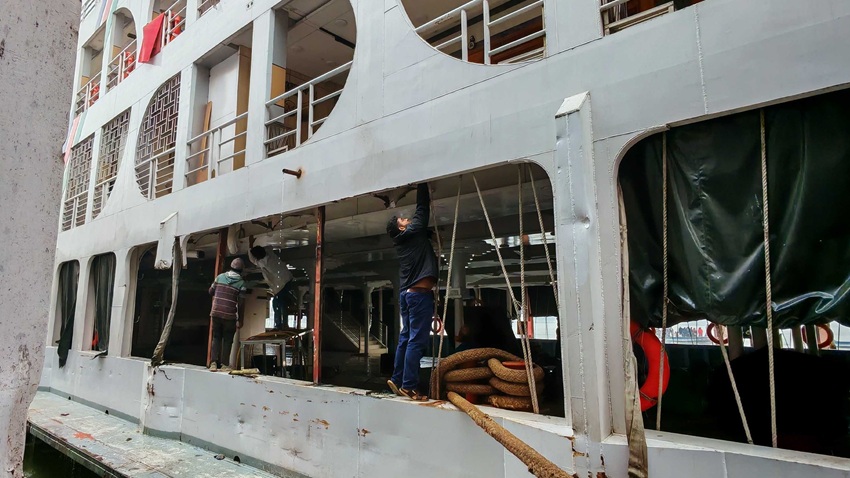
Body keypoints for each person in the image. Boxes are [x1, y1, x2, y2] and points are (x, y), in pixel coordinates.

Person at [385, 183, 438, 401]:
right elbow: (422, 209)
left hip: (408, 294)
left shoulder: (404, 241)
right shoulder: (413, 232)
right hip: (418, 296)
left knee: (405, 338)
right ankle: (408, 386)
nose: (406, 219)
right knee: (416, 340)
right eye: (402, 220)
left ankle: (397, 379)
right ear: (401, 229)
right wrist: (423, 183)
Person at [208, 258, 247, 371]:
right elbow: (241, 304)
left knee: (216, 337)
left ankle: (213, 363)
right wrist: (240, 319)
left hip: (216, 313)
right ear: (241, 270)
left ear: (231, 266)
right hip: (229, 316)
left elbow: (210, 291)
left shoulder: (219, 277)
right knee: (228, 339)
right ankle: (224, 365)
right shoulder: (242, 283)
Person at [249, 245, 294, 330]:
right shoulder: (270, 253)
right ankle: (284, 324)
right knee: (283, 304)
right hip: (288, 278)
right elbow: (269, 246)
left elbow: (252, 259)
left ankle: (279, 326)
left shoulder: (263, 263)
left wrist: (250, 246)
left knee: (276, 304)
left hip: (280, 284)